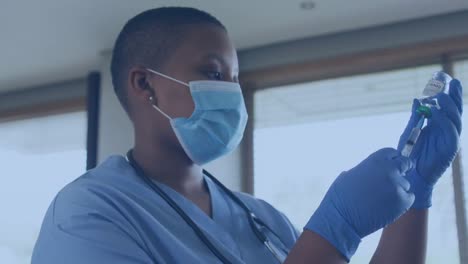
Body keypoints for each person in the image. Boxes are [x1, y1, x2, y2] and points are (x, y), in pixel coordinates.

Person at [31, 7, 463, 264]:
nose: (231, 93)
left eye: (235, 78)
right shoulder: (88, 214)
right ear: (145, 85)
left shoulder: (265, 221)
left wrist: (415, 198)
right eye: (213, 73)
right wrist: (336, 231)